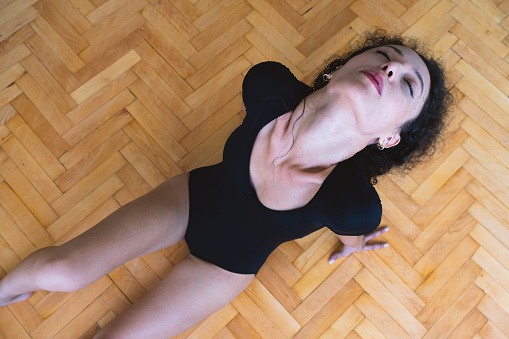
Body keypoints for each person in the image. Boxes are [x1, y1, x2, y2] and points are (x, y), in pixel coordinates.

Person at [0, 29, 452, 338]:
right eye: (384, 56)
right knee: (57, 271)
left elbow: (355, 233)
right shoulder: (266, 85)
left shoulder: (353, 204)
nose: (391, 70)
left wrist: (354, 244)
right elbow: (250, 116)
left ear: (389, 136)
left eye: (408, 85)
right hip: (190, 200)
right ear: (342, 67)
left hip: (227, 266)